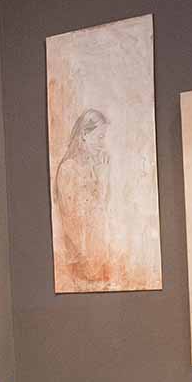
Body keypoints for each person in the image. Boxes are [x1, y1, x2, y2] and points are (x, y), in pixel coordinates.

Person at [54, 109, 112, 283]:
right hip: (80, 258)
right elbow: (72, 218)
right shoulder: (68, 169)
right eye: (99, 137)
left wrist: (103, 177)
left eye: (103, 137)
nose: (102, 144)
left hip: (95, 254)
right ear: (85, 135)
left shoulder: (93, 168)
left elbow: (102, 208)